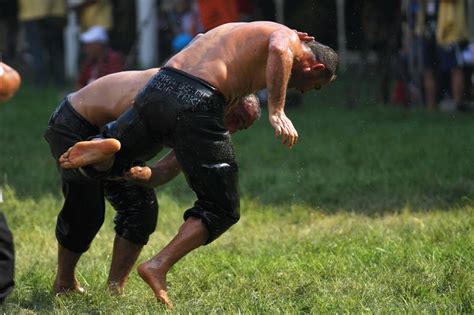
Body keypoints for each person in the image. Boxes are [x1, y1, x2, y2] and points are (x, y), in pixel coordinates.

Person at [59, 21, 338, 309]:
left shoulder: (235, 31)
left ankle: (109, 146)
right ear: (314, 68)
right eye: (311, 88)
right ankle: (158, 265)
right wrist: (277, 110)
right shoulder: (288, 38)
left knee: (110, 167)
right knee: (222, 208)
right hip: (200, 98)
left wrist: (143, 173)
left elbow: (200, 38)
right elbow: (280, 48)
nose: (303, 92)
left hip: (161, 85)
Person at [44, 67, 261, 295]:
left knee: (142, 210)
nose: (232, 130)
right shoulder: (186, 94)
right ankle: (64, 282)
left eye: (241, 128)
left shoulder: (201, 121)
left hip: (118, 143)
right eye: (236, 119)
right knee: (86, 210)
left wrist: (140, 174)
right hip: (77, 122)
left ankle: (114, 290)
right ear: (230, 98)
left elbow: (164, 171)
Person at [75, 25, 124, 90]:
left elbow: (113, 83)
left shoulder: (113, 59)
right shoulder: (89, 61)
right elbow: (80, 82)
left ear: (99, 45)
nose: (86, 49)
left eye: (90, 45)